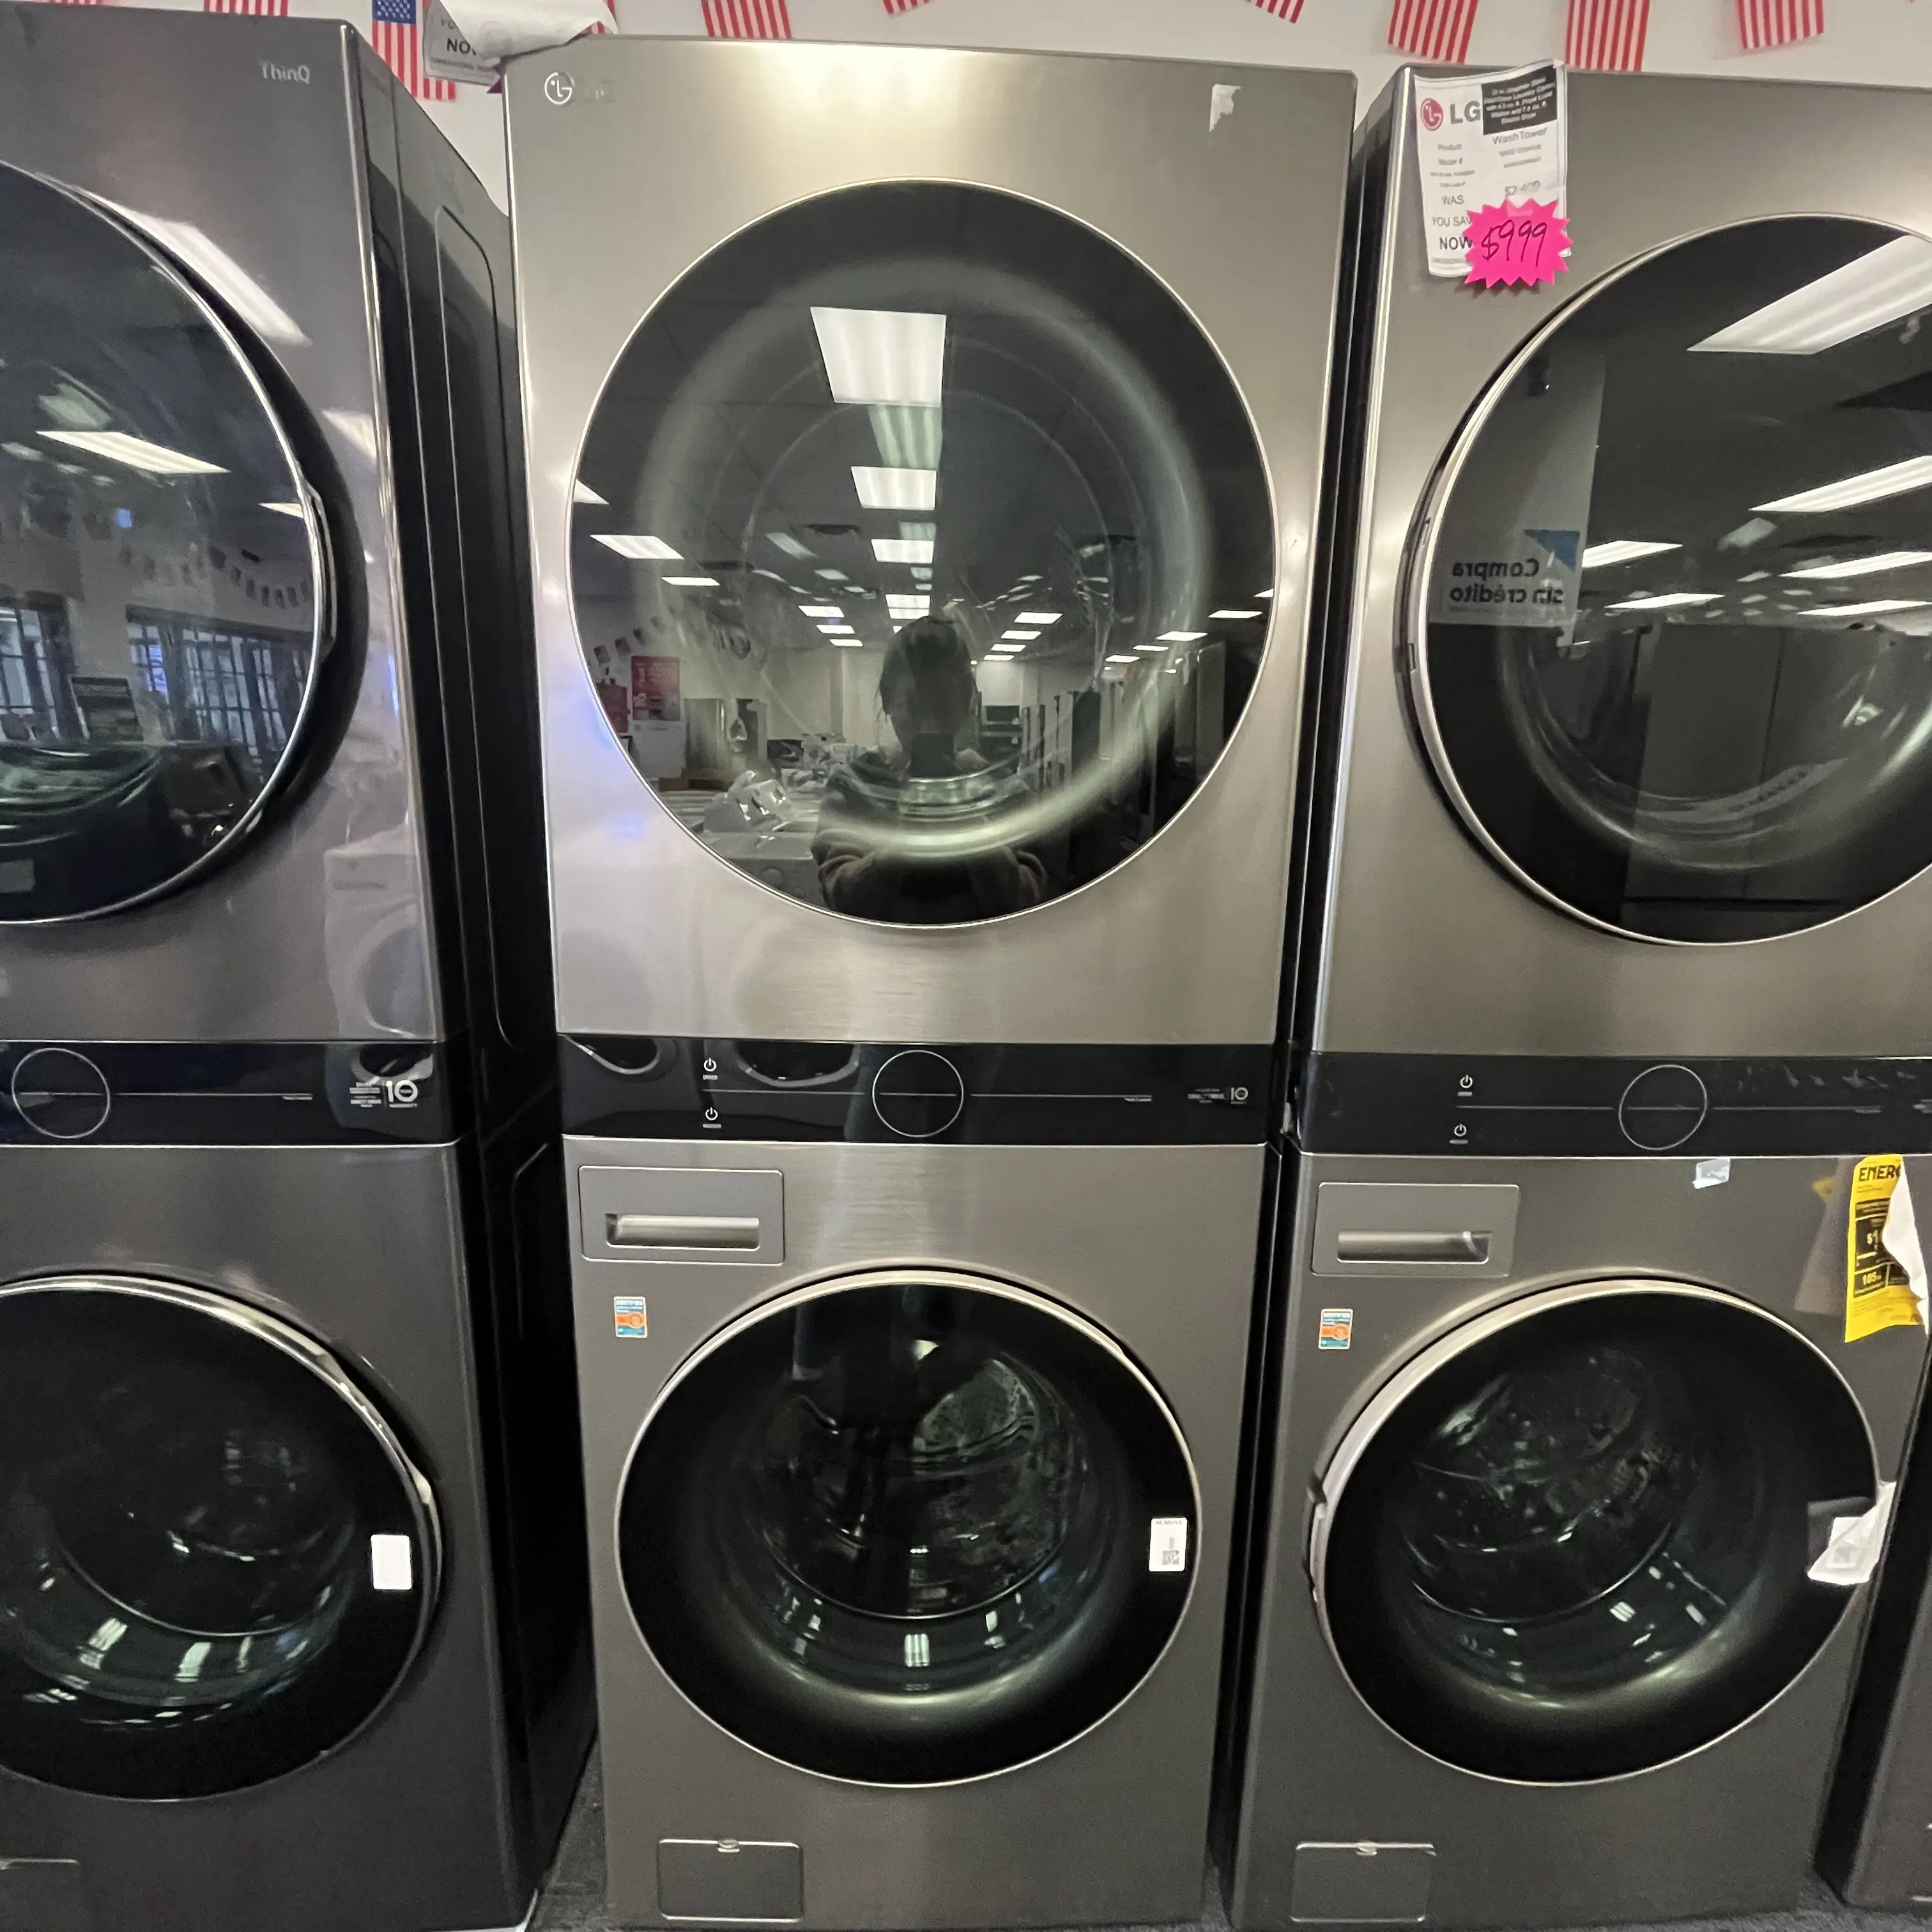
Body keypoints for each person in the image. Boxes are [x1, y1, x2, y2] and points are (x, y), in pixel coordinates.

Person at [813, 615, 1046, 922]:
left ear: (967, 701)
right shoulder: (855, 786)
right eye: (916, 706)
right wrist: (904, 845)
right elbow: (842, 898)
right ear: (887, 699)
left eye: (942, 706)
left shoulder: (1006, 790)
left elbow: (1028, 901)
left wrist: (968, 824)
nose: (929, 724)